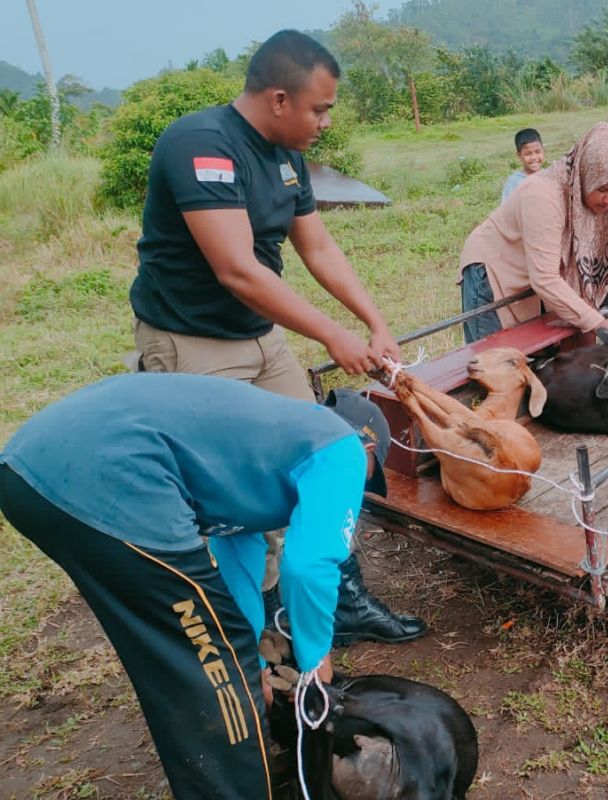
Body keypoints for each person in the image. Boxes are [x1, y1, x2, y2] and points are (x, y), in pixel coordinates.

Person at [127, 29, 422, 646]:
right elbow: (236, 269)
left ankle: (342, 603)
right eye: (320, 109)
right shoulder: (200, 146)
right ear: (280, 99)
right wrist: (333, 335)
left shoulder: (286, 158)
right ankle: (256, 631)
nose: (324, 122)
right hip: (193, 345)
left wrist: (374, 321)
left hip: (261, 339)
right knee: (233, 496)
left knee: (324, 458)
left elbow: (316, 246)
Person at [0, 373, 394, 798]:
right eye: (369, 480)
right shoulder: (343, 450)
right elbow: (309, 565)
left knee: (183, 653)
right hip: (110, 478)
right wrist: (315, 659)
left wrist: (253, 662)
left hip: (30, 474)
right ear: (369, 449)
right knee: (216, 670)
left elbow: (237, 559)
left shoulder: (265, 451)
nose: (360, 492)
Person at [459, 121, 608, 343]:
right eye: (603, 190)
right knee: (497, 361)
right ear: (585, 176)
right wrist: (598, 323)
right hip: (494, 271)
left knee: (542, 355)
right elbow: (545, 278)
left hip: (535, 271)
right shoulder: (543, 196)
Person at [501, 127, 544, 201]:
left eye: (538, 152)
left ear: (543, 151)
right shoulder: (514, 182)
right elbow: (506, 208)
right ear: (519, 156)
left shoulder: (550, 176)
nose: (534, 157)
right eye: (528, 154)